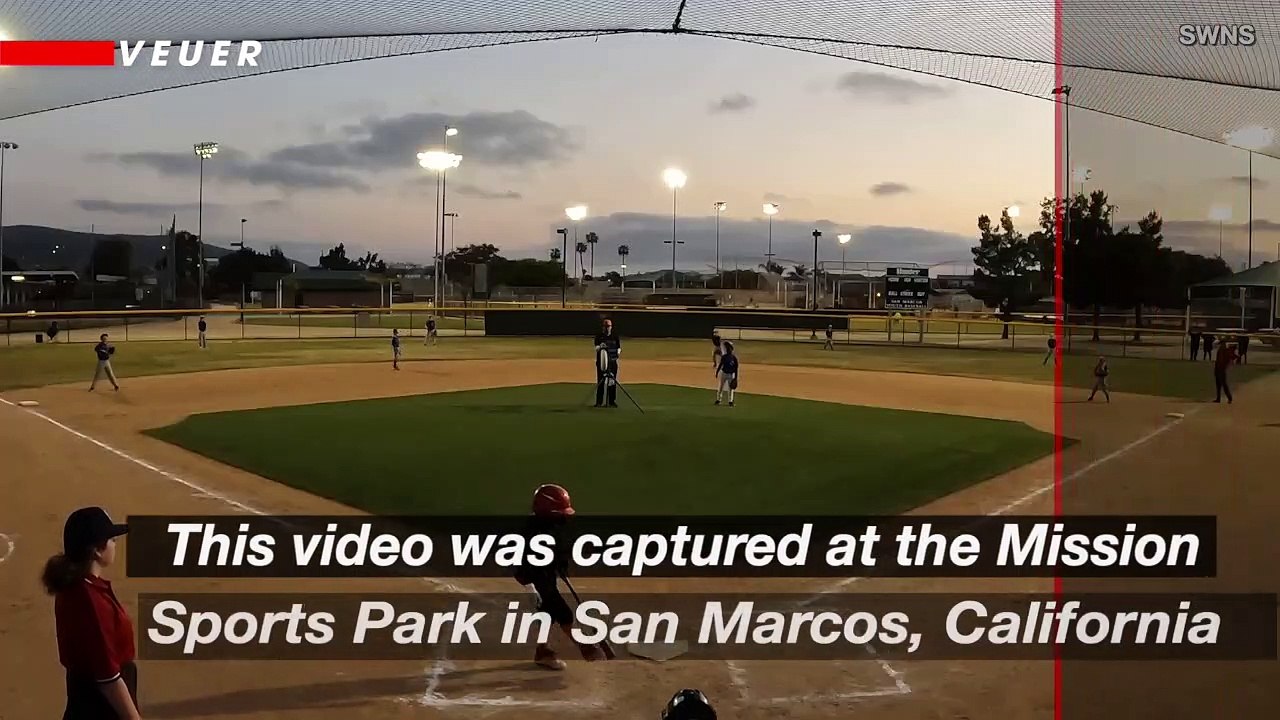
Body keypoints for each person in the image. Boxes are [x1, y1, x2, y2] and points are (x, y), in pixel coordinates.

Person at [42, 507, 140, 720]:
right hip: (101, 706)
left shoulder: (76, 586)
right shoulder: (90, 600)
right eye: (111, 540)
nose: (115, 544)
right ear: (97, 550)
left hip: (85, 697)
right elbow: (108, 677)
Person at [514, 484, 606, 670]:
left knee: (547, 613)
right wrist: (533, 583)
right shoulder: (534, 533)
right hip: (533, 577)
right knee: (561, 611)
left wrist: (559, 564)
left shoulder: (548, 525)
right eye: (559, 513)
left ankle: (543, 651)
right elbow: (530, 562)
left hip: (542, 574)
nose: (563, 517)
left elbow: (555, 550)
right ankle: (584, 647)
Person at [594, 318, 622, 408]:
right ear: (603, 327)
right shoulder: (599, 336)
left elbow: (619, 347)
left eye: (608, 326)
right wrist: (600, 346)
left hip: (612, 362)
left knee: (612, 382)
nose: (607, 328)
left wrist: (618, 353)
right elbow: (596, 348)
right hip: (602, 363)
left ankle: (611, 401)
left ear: (611, 327)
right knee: (600, 382)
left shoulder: (615, 336)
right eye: (605, 326)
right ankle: (599, 402)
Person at [715, 341, 739, 407]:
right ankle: (718, 399)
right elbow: (720, 365)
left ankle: (730, 401)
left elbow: (736, 368)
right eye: (728, 349)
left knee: (731, 388)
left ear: (732, 350)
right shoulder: (724, 357)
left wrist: (736, 377)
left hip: (731, 375)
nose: (728, 350)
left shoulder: (734, 358)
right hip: (724, 373)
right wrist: (717, 372)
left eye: (730, 349)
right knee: (721, 387)